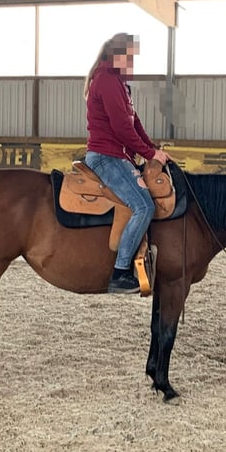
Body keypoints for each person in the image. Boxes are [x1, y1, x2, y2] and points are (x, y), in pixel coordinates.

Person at [84, 33, 171, 294]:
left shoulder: (120, 84)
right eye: (130, 57)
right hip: (106, 156)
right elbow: (122, 128)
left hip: (118, 155)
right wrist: (147, 152)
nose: (133, 64)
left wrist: (152, 149)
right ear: (117, 55)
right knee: (143, 205)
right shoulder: (108, 81)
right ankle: (120, 273)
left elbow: (135, 123)